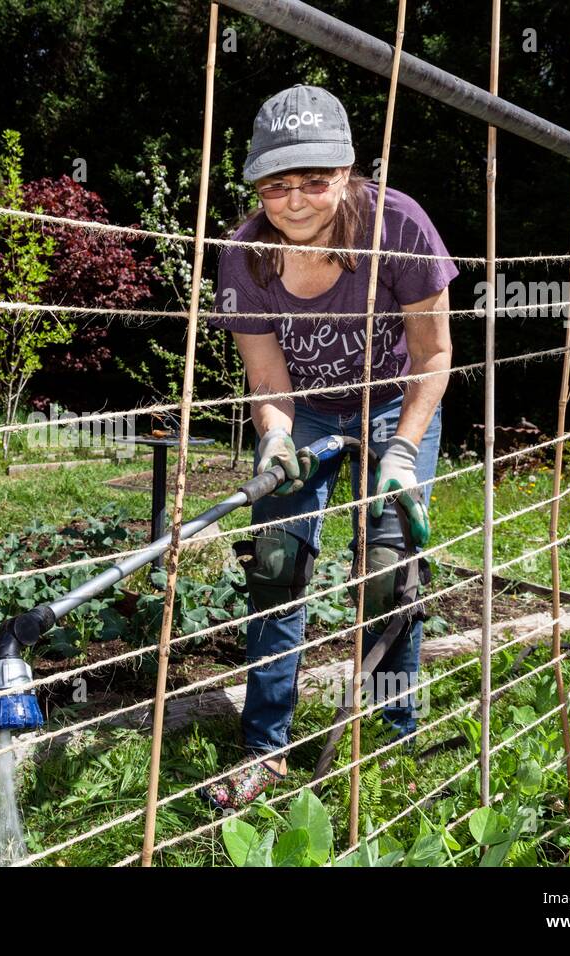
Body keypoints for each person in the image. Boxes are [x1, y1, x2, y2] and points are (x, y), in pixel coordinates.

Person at [200, 85, 457, 811]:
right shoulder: (246, 257)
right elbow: (267, 376)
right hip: (305, 410)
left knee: (387, 567)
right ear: (257, 185)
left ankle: (395, 731)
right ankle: (266, 750)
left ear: (346, 171)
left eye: (316, 179)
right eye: (278, 185)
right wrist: (276, 437)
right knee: (277, 561)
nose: (298, 199)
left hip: (393, 402)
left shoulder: (400, 227)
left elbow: (434, 355)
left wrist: (402, 451)